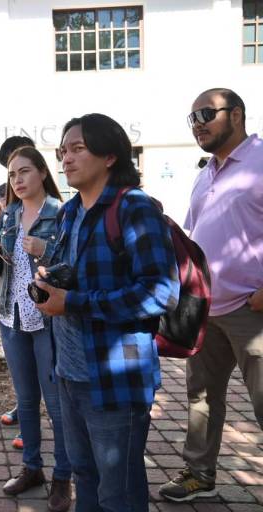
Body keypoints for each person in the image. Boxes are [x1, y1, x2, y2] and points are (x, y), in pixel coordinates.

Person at [35, 114, 179, 511]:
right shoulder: (68, 212)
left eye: (78, 148)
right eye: (63, 150)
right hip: (69, 372)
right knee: (85, 474)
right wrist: (51, 280)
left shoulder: (135, 208)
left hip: (114, 376)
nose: (66, 158)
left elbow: (161, 292)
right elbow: (72, 272)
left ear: (110, 155)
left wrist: (75, 302)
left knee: (119, 491)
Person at [159, 88, 263, 502]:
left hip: (251, 309)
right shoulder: (207, 173)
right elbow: (199, 237)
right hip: (206, 309)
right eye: (192, 117)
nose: (198, 122)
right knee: (201, 397)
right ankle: (198, 473)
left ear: (236, 114)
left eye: (206, 112)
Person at [0, 146, 71, 511]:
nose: (17, 180)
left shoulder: (61, 214)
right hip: (11, 317)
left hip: (47, 320)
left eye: (25, 172)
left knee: (57, 403)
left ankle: (63, 475)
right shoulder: (9, 214)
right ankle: (32, 468)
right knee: (26, 400)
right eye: (13, 174)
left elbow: (72, 266)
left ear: (43, 173)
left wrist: (45, 250)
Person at [0, 135, 35, 441]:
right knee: (17, 354)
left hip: (42, 293)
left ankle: (46, 411)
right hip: (5, 286)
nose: (15, 173)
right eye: (8, 166)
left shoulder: (52, 201)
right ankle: (24, 405)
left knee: (45, 356)